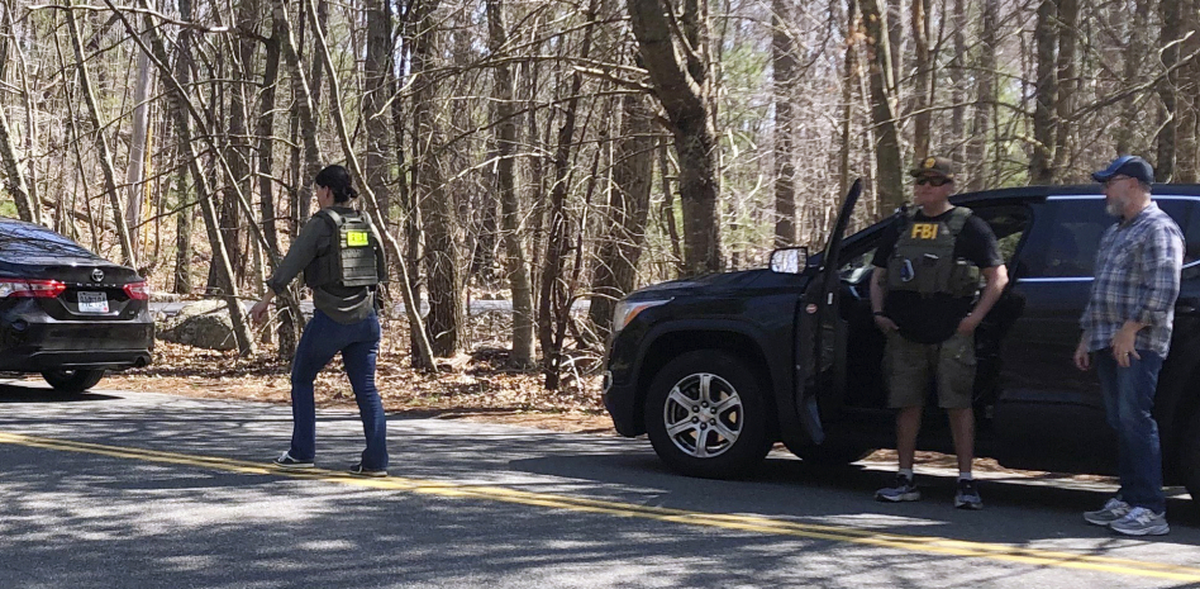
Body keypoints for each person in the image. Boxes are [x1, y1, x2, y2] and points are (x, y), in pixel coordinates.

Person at [870, 156, 1009, 509]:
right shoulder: (900, 226)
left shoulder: (968, 226)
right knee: (906, 404)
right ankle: (904, 477)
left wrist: (973, 319)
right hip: (905, 332)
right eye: (920, 181)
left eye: (932, 182)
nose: (924, 187)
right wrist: (879, 313)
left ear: (948, 187)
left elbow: (998, 276)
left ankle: (965, 482)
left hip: (952, 332)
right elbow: (878, 274)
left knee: (958, 406)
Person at [250, 164, 390, 478]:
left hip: (332, 318)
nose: (316, 196)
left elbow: (291, 264)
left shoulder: (322, 224)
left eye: (317, 190)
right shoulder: (365, 221)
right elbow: (381, 267)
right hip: (367, 319)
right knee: (366, 389)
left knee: (301, 377)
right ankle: (376, 462)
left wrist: (264, 302)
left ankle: (301, 452)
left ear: (326, 190)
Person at [1075, 155, 1183, 536]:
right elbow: (1100, 289)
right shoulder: (1117, 230)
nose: (1104, 189)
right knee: (1120, 421)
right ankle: (1128, 496)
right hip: (1107, 339)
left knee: (1136, 419)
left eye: (1110, 181)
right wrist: (1088, 336)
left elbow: (1164, 288)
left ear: (1134, 184)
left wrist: (1130, 329)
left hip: (1139, 343)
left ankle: (1150, 508)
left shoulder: (1159, 228)